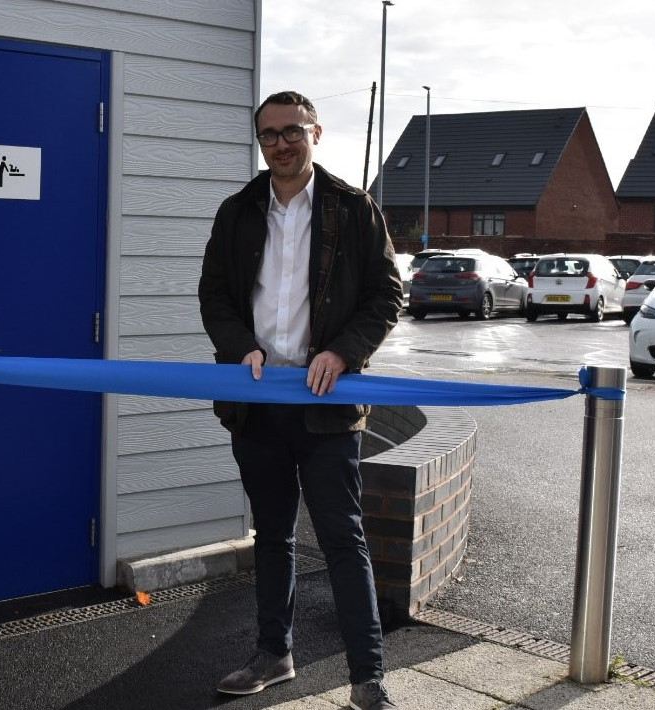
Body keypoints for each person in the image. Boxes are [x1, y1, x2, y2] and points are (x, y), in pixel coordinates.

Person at [197, 90, 403, 710]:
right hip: (257, 400)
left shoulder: (353, 208)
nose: (281, 144)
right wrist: (239, 348)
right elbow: (214, 295)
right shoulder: (236, 211)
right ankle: (273, 654)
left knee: (343, 538)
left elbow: (386, 295)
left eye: (292, 131)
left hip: (327, 403)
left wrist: (342, 352)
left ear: (316, 132)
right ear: (259, 141)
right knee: (273, 537)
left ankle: (368, 678)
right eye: (269, 135)